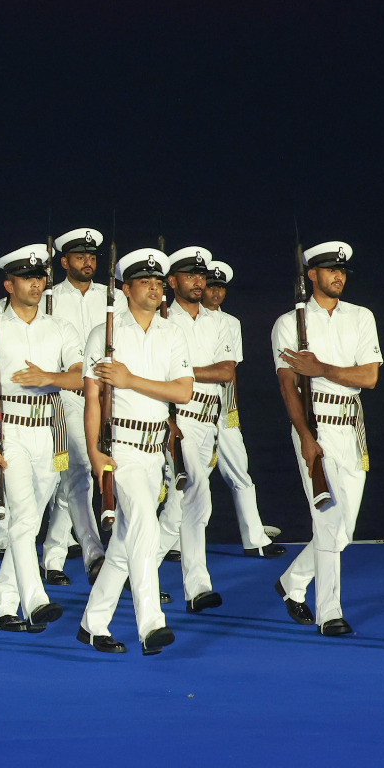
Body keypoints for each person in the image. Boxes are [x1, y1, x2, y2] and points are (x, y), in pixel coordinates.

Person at [74, 249, 193, 656]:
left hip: (156, 448)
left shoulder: (172, 332)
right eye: (146, 282)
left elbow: (183, 391)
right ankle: (151, 625)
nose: (156, 288)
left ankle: (93, 623)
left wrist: (130, 379)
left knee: (125, 544)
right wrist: (94, 454)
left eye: (159, 282)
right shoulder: (104, 335)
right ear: (126, 289)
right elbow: (92, 400)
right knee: (143, 525)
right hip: (119, 448)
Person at [272, 240, 381, 638]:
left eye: (342, 270)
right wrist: (304, 435)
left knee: (344, 530)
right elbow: (288, 386)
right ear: (311, 275)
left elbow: (369, 377)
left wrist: (322, 367)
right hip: (314, 423)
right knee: (329, 519)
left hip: (351, 426)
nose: (338, 276)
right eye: (329, 270)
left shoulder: (361, 317)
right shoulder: (289, 323)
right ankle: (329, 611)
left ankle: (293, 581)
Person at [0, 243, 78, 633]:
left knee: (28, 522)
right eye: (28, 277)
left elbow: (82, 376)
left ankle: (2, 607)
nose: (37, 283)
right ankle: (35, 599)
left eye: (40, 276)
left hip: (51, 428)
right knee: (25, 516)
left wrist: (48, 377)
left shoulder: (60, 327)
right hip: (9, 428)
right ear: (8, 284)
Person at [158, 246, 236, 611]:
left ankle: (131, 570)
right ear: (172, 281)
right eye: (190, 275)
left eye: (201, 276)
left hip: (209, 421)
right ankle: (198, 586)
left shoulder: (220, 321)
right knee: (196, 497)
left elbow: (226, 372)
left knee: (180, 505)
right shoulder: (160, 320)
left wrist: (184, 372)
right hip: (176, 418)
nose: (198, 282)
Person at [38, 227, 111, 587]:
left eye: (92, 256)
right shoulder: (48, 297)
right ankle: (94, 555)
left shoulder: (111, 297)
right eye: (80, 256)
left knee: (73, 482)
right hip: (66, 396)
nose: (88, 262)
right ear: (64, 261)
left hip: (105, 396)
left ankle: (52, 558)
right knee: (79, 474)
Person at [204, 260, 284, 557]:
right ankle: (173, 542)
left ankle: (255, 540)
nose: (216, 293)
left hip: (222, 410)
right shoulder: (173, 320)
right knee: (181, 480)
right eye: (211, 286)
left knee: (240, 472)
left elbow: (230, 370)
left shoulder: (231, 323)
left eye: (220, 287)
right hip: (185, 409)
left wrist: (232, 411)